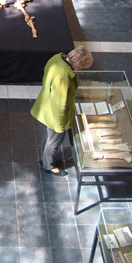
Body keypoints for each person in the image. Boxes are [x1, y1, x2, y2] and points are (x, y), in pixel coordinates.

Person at [30, 46, 93, 176]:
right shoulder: (63, 76)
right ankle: (48, 165)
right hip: (54, 114)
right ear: (78, 65)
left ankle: (44, 158)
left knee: (48, 136)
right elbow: (60, 104)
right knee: (54, 141)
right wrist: (59, 126)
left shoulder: (57, 58)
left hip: (47, 105)